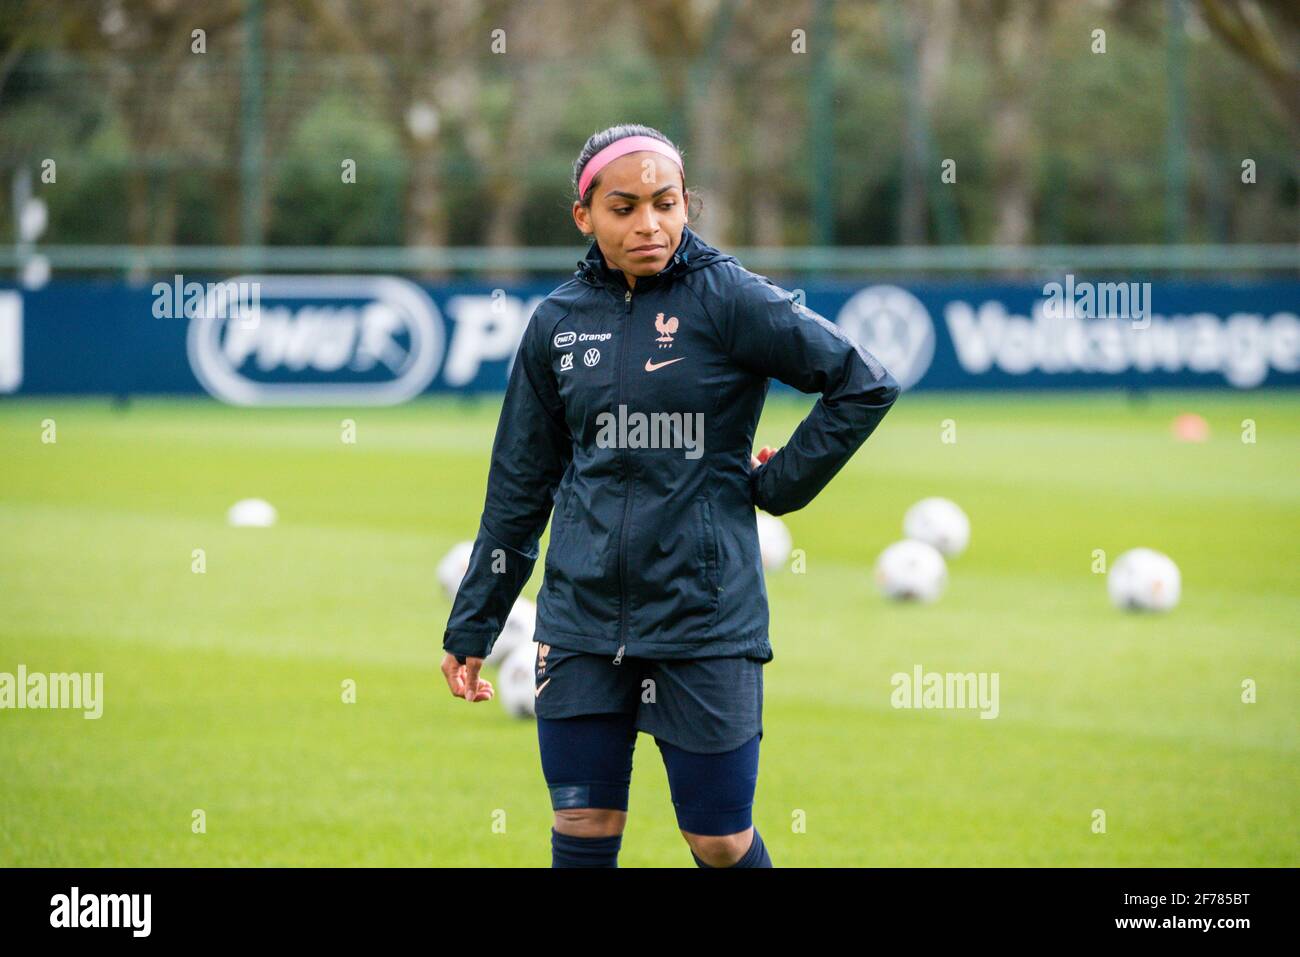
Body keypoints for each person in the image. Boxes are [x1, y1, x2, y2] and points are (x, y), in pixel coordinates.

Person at [441, 123, 900, 867]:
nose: (649, 224)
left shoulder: (731, 299)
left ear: (689, 201)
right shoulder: (556, 323)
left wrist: (780, 485)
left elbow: (863, 381)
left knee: (718, 840)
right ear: (584, 216)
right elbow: (520, 484)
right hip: (582, 618)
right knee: (584, 824)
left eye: (666, 202)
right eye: (624, 208)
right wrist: (476, 620)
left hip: (704, 615)